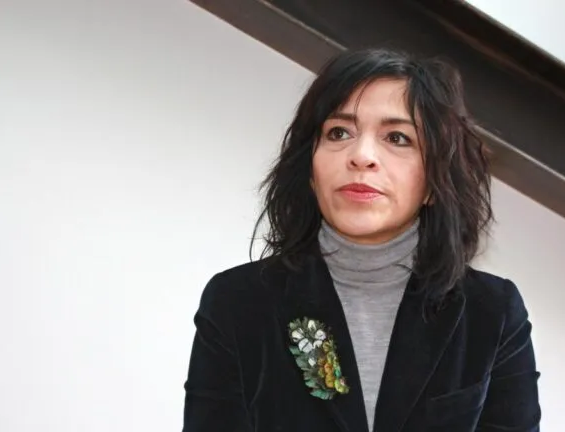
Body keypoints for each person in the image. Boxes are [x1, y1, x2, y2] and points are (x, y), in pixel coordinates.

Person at [182, 47, 541, 432]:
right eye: (339, 133)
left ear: (434, 182)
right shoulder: (238, 303)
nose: (362, 156)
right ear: (310, 169)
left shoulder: (492, 313)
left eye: (397, 138)